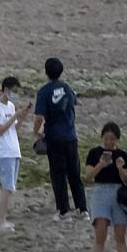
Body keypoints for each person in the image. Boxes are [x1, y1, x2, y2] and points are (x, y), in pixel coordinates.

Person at [33, 56, 88, 221]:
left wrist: (36, 132)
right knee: (74, 173)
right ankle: (82, 209)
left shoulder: (44, 91)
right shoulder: (68, 88)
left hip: (54, 137)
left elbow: (39, 116)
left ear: (46, 72)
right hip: (71, 136)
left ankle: (64, 211)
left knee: (58, 174)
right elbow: (77, 102)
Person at [84, 121, 127, 252]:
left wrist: (120, 167)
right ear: (102, 137)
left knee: (120, 236)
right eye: (107, 138)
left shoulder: (122, 155)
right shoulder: (94, 153)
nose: (109, 142)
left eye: (112, 139)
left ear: (117, 139)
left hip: (119, 193)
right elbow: (88, 176)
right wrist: (101, 164)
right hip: (100, 191)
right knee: (100, 233)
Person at [0, 75, 26, 231]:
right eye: (14, 91)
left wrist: (21, 116)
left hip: (13, 150)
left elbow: (13, 128)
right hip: (4, 152)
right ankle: (1, 221)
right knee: (7, 187)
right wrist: (15, 117)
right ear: (5, 90)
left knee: (10, 187)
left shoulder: (11, 106)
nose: (15, 94)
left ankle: (3, 219)